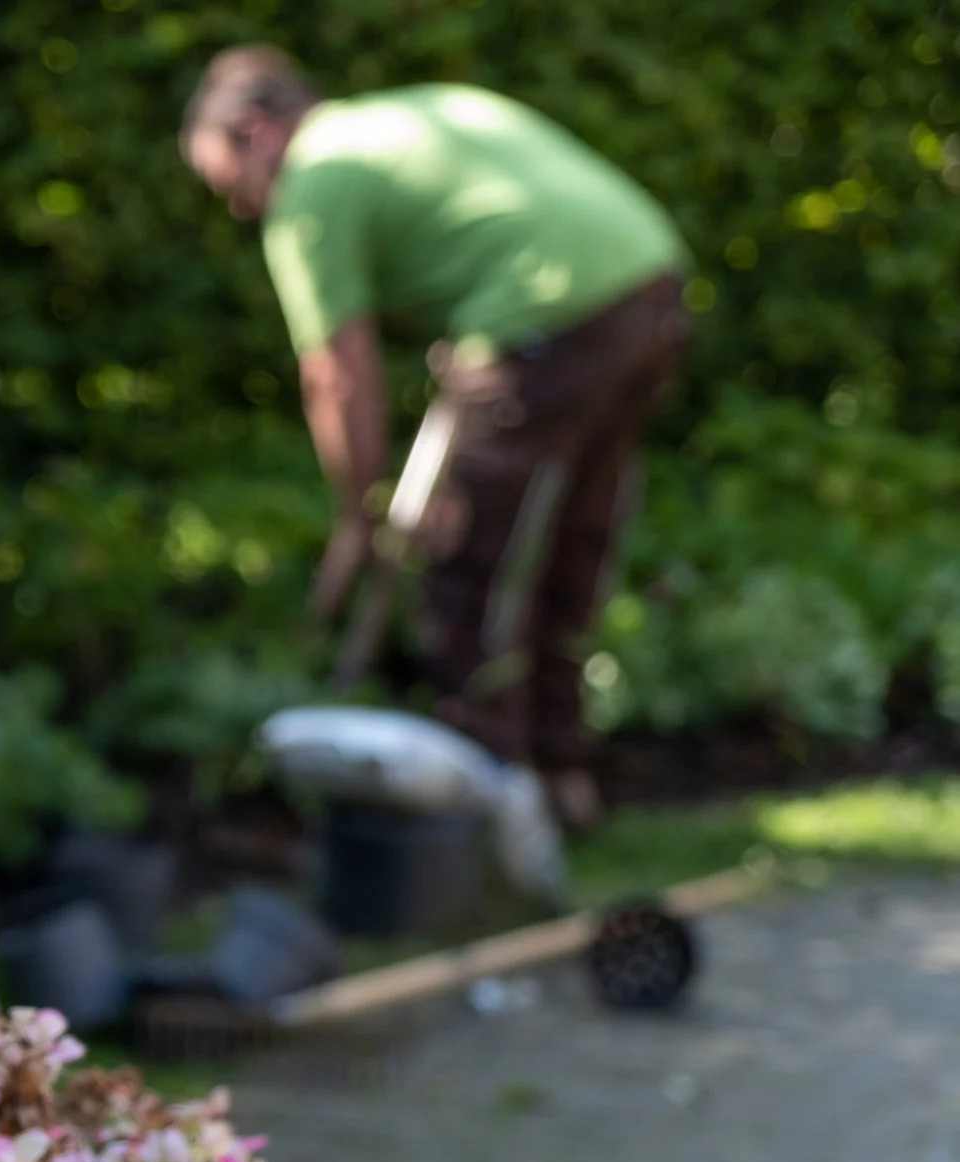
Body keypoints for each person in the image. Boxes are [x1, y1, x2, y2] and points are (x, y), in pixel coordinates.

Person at [182, 46, 691, 830]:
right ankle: (564, 780)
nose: (242, 209)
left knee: (468, 562)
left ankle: (488, 813)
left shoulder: (315, 183)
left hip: (546, 312)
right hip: (652, 284)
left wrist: (357, 518)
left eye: (231, 186)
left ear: (256, 133)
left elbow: (336, 376)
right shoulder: (417, 110)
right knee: (568, 543)